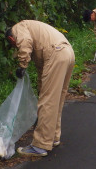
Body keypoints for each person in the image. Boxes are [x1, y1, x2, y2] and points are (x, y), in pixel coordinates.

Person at [5, 20, 75, 157]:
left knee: (47, 100)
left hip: (56, 54)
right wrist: (40, 87)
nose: (16, 46)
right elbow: (42, 67)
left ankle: (40, 145)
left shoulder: (18, 28)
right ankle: (53, 136)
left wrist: (22, 65)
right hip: (67, 53)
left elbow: (24, 41)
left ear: (11, 38)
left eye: (14, 45)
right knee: (57, 99)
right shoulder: (37, 32)